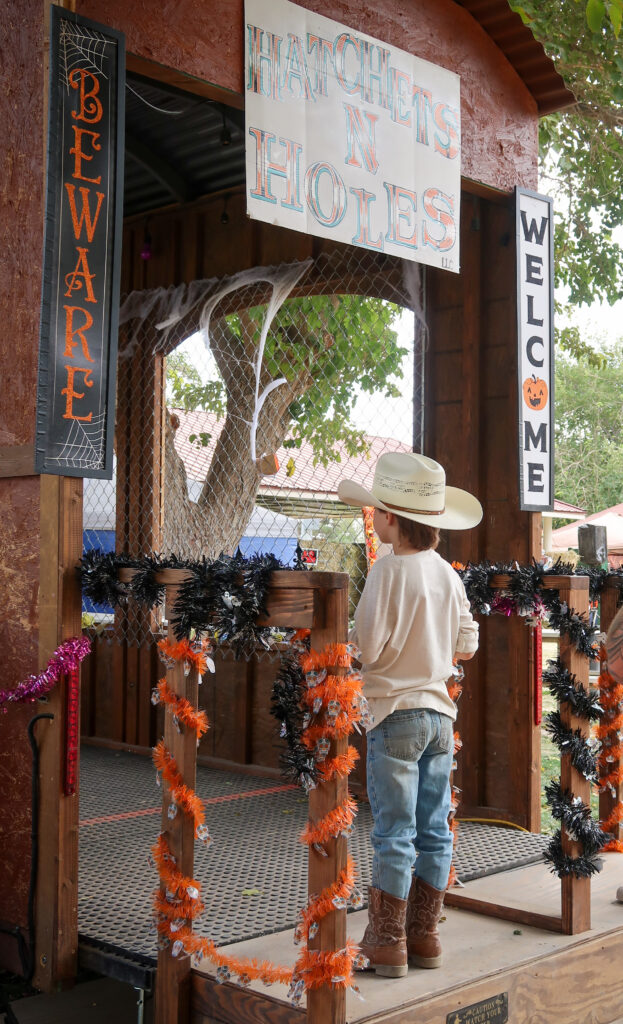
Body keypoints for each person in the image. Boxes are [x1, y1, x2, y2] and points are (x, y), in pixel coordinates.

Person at [337, 451, 483, 977]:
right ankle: (425, 938)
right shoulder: (447, 573)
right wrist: (435, 648)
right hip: (440, 718)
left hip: (393, 714)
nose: (373, 518)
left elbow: (369, 649)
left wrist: (354, 643)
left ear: (393, 519)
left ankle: (386, 941)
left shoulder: (385, 572)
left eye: (377, 511)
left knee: (394, 832)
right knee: (434, 830)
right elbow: (468, 642)